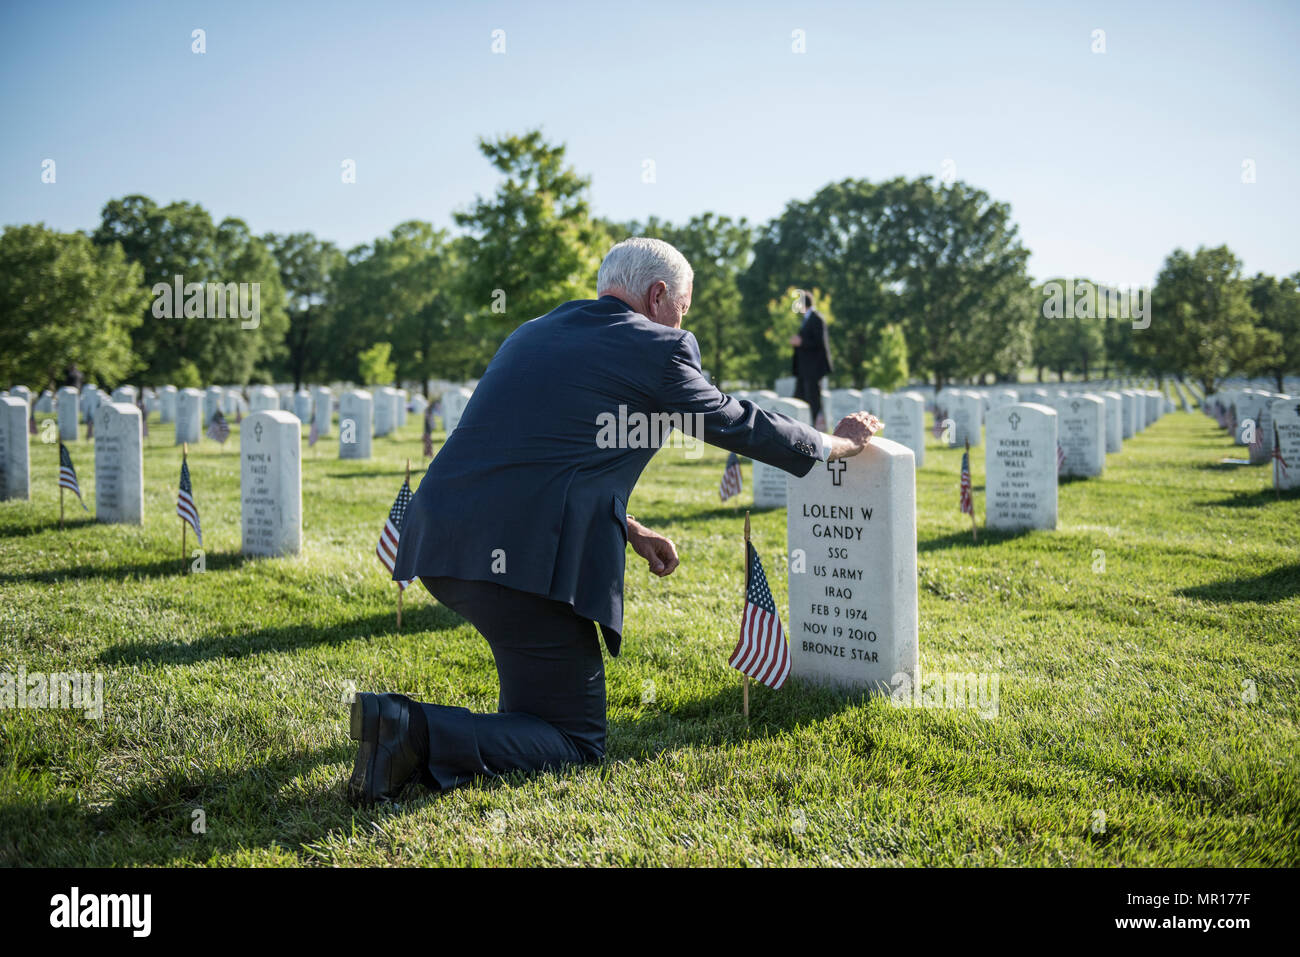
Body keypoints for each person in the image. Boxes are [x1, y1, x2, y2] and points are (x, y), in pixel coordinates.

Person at [346, 238, 881, 805]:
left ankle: (411, 738)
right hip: (516, 560)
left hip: (442, 541)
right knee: (575, 739)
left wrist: (626, 524)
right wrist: (835, 442)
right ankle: (408, 728)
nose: (682, 321)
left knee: (535, 711)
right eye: (683, 307)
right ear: (657, 296)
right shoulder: (659, 347)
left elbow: (540, 450)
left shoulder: (532, 332)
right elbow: (735, 423)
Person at [790, 291, 833, 430]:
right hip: (803, 369)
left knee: (812, 398)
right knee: (798, 397)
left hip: (813, 368)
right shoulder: (806, 319)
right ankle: (799, 426)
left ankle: (812, 427)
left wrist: (801, 342)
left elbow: (819, 343)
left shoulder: (817, 318)